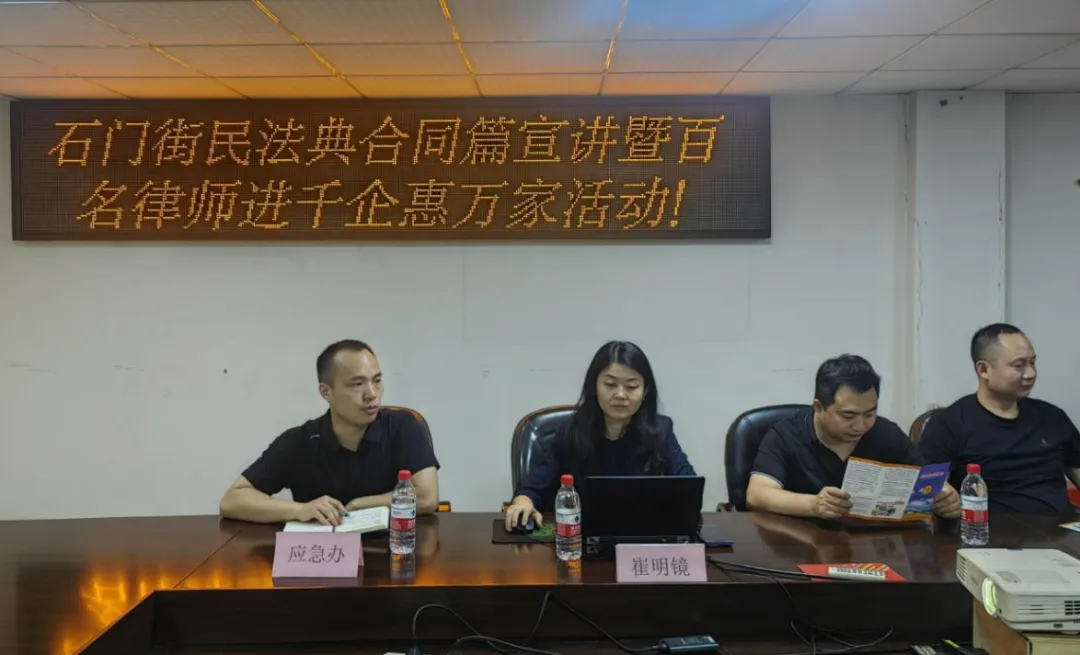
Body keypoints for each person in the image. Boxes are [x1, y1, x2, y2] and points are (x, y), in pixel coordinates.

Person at [219, 340, 441, 526]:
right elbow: (232, 501)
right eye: (357, 384)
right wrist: (300, 510)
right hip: (324, 558)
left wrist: (358, 505)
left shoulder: (402, 427)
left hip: (393, 552)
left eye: (377, 380)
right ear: (326, 392)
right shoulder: (299, 442)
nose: (372, 394)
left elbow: (426, 497)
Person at [505, 340, 696, 531]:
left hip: (643, 536)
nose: (620, 395)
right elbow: (533, 487)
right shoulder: (571, 431)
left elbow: (690, 488)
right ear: (594, 387)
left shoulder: (661, 431)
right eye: (610, 384)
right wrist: (523, 502)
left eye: (631, 386)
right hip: (578, 538)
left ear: (645, 390)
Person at [747, 354, 960, 520]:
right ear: (819, 407)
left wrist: (945, 496)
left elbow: (927, 478)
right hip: (801, 544)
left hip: (873, 544)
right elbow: (757, 494)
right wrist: (814, 505)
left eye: (869, 414)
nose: (861, 426)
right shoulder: (785, 435)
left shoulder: (886, 433)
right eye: (848, 416)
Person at [918, 323, 1080, 515]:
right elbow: (925, 493)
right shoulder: (949, 424)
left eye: (1032, 363)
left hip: (1061, 529)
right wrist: (943, 499)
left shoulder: (1053, 417)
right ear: (983, 370)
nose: (1030, 373)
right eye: (1019, 365)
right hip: (989, 531)